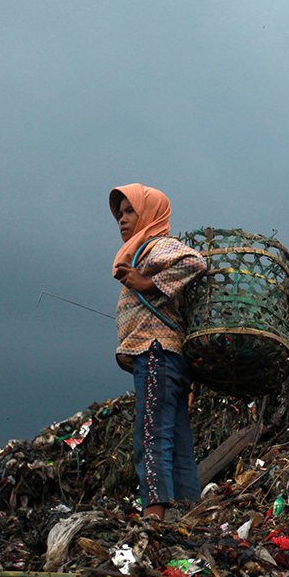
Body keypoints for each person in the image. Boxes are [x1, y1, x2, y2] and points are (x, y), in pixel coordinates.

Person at [109, 183, 206, 521]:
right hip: (168, 356)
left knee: (151, 432)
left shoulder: (156, 245)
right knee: (176, 436)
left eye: (130, 211)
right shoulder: (140, 251)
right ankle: (188, 510)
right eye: (120, 214)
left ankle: (153, 514)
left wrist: (147, 283)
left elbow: (195, 262)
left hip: (156, 352)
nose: (122, 219)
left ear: (150, 214)